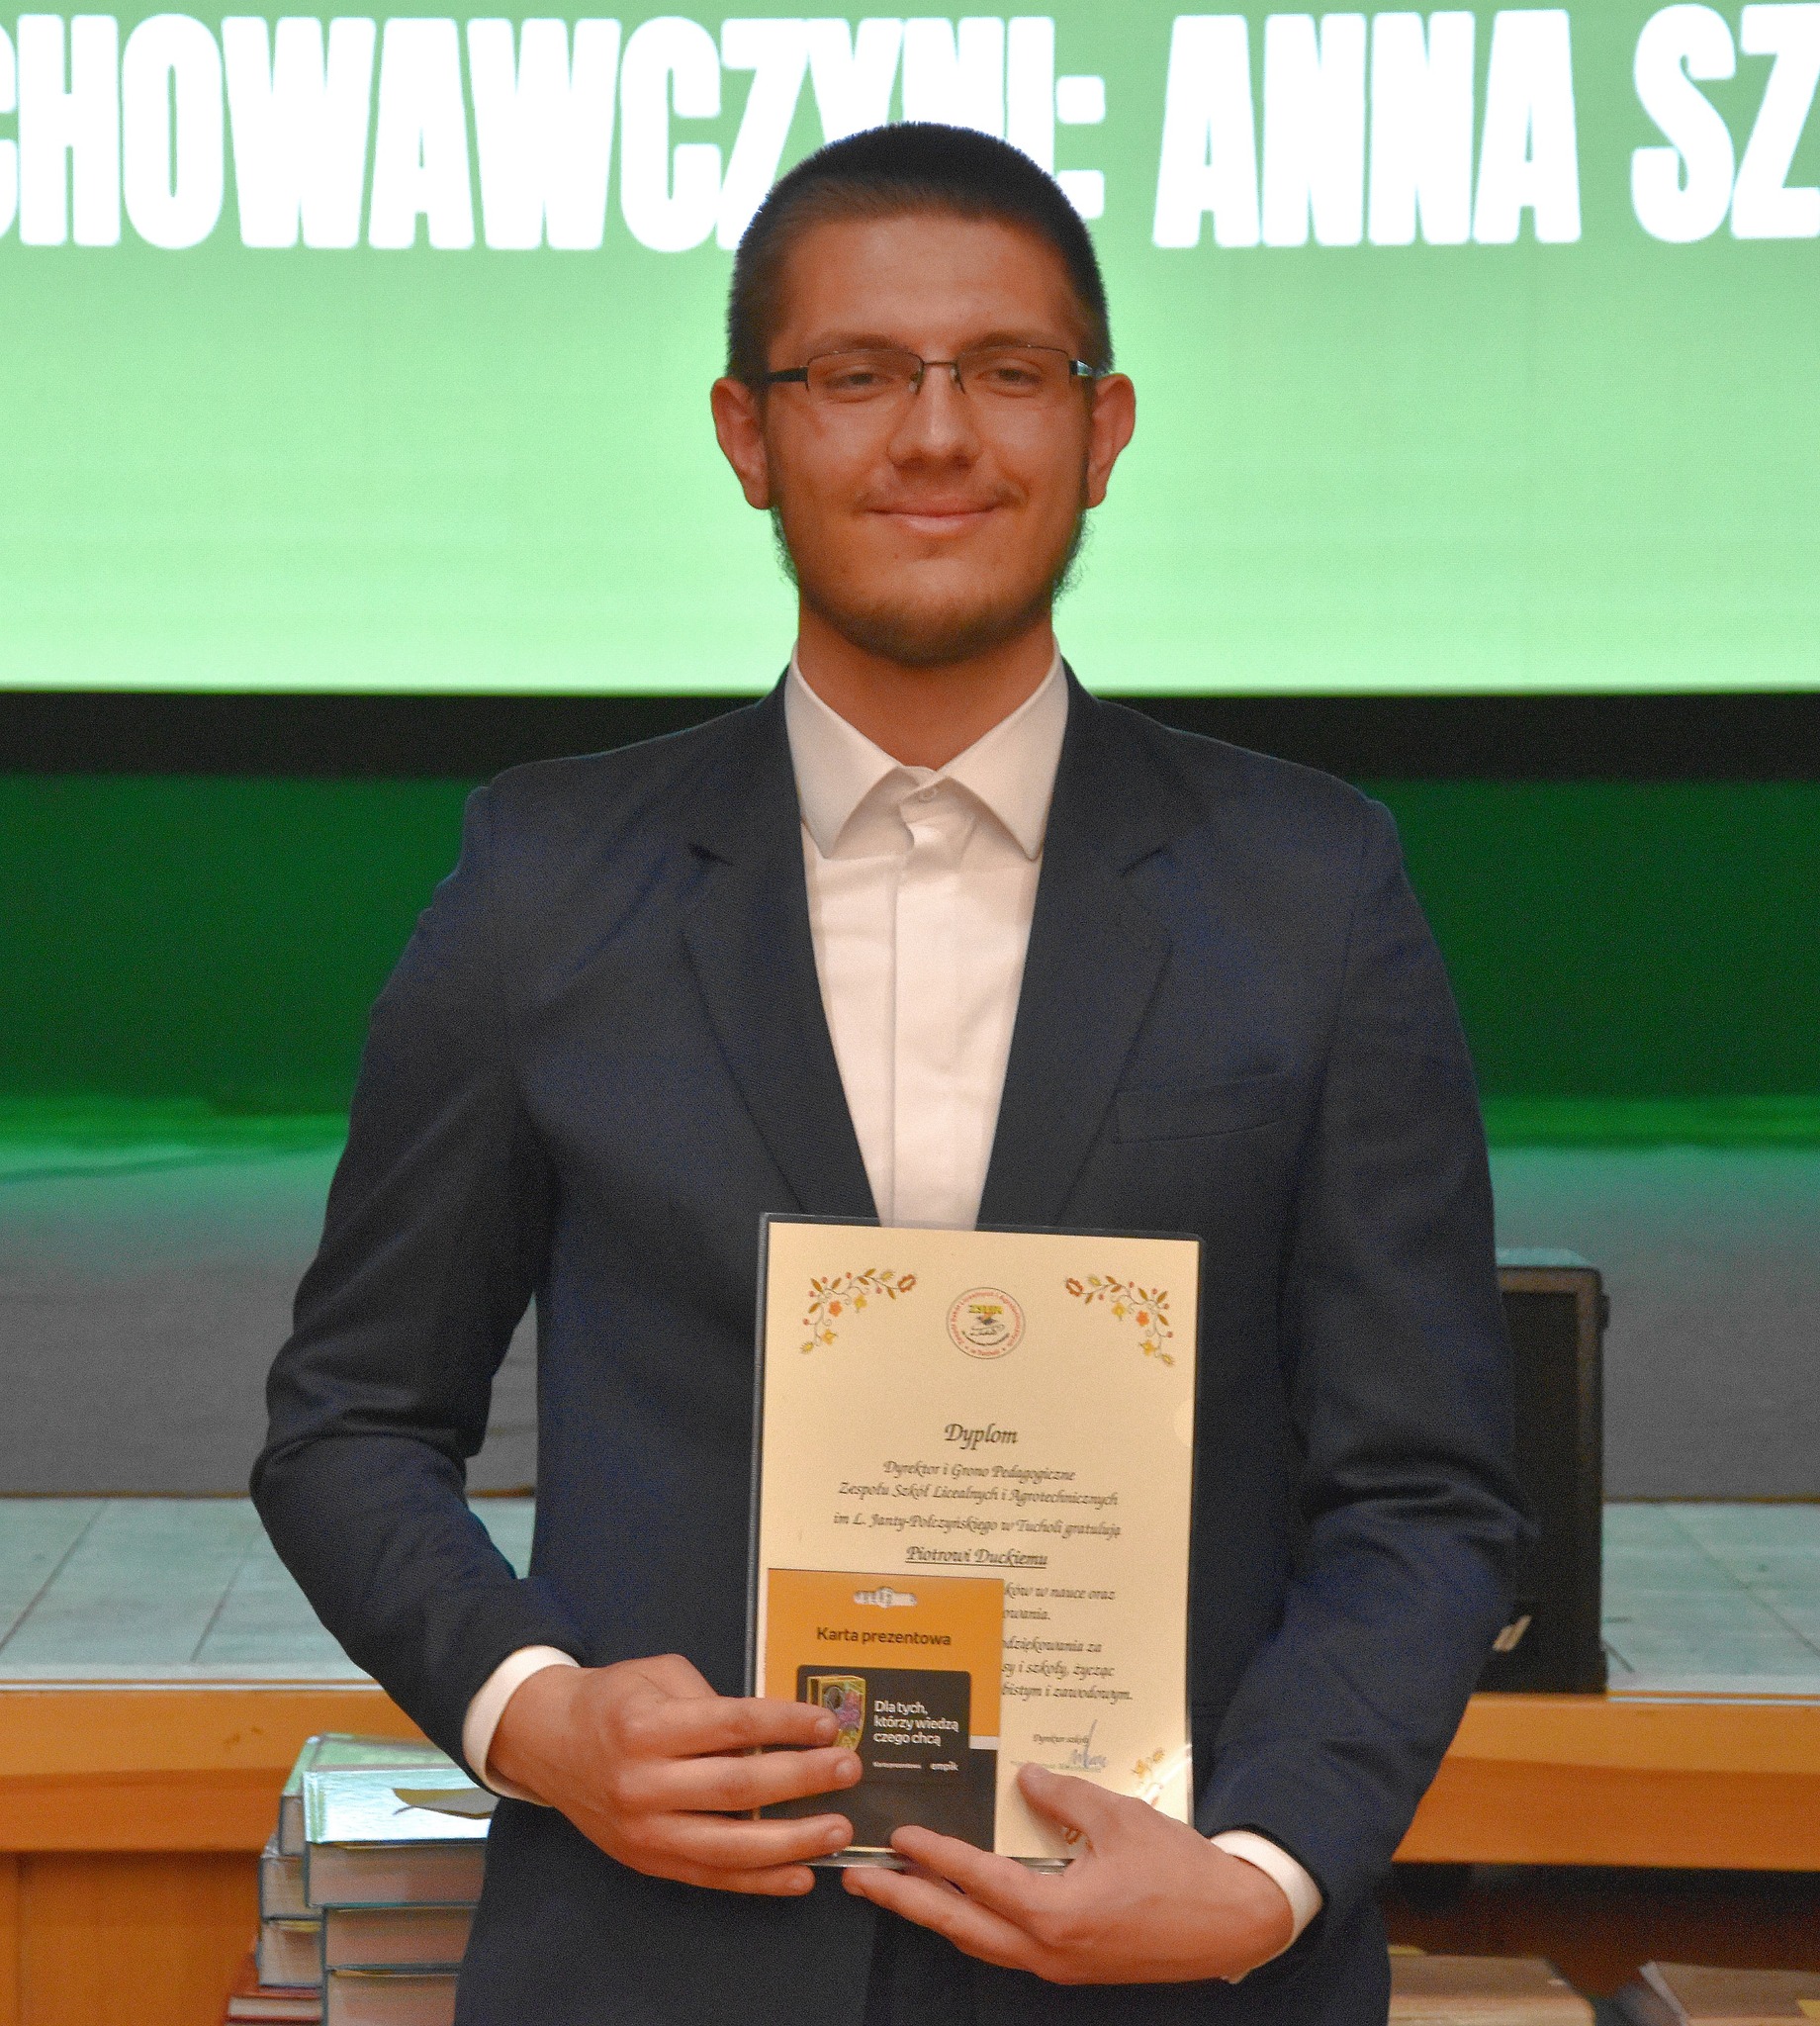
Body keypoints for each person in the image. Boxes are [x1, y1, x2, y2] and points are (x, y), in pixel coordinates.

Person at [255, 123, 1525, 2024]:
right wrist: (538, 1719)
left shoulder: (1313, 890)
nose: (937, 436)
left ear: (1102, 428)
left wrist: (1261, 1877)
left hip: (1167, 1980)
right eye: (857, 375)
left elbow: (1426, 1493)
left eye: (1005, 371)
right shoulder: (544, 884)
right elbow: (352, 1423)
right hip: (660, 1968)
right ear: (746, 434)